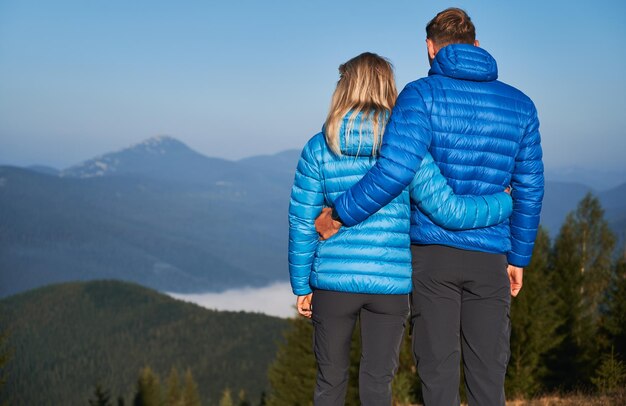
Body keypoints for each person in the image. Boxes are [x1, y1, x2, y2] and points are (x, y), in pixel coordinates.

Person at [315, 8, 544, 406]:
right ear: (476, 44)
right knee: (488, 375)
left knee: (437, 373)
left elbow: (395, 170)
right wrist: (518, 256)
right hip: (491, 254)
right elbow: (530, 186)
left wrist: (339, 213)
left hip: (431, 257)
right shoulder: (521, 105)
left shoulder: (419, 95)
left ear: (430, 47)